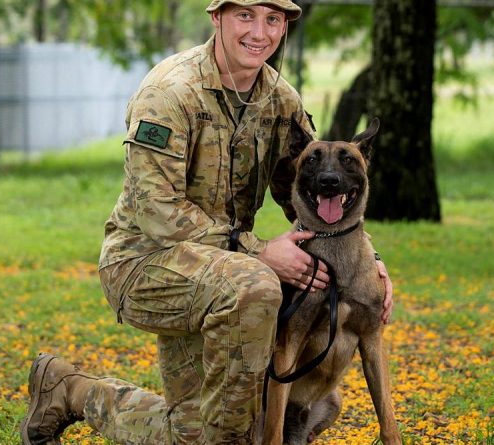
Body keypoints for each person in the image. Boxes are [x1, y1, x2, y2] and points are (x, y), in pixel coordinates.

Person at [20, 1, 394, 444]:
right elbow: (155, 211)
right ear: (216, 17)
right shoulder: (169, 91)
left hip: (225, 274)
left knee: (202, 435)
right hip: (146, 264)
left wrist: (366, 261)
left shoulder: (281, 100)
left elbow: (309, 196)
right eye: (245, 16)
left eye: (272, 19)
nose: (260, 32)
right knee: (257, 286)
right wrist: (258, 251)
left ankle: (69, 390)